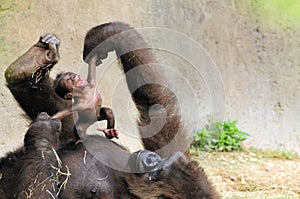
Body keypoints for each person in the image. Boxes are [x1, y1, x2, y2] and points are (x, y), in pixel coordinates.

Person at [51, 55, 118, 140]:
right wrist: (48, 120)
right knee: (79, 132)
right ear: (69, 95)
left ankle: (110, 133)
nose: (72, 77)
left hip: (98, 114)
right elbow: (63, 113)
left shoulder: (91, 85)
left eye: (71, 74)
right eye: (68, 80)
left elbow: (92, 65)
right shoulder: (81, 104)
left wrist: (93, 55)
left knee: (109, 112)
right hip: (85, 122)